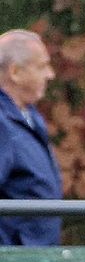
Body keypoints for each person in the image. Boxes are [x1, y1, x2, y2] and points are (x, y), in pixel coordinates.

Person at [0, 29, 62, 246]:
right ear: (15, 72)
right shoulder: (2, 124)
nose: (50, 74)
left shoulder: (30, 117)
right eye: (41, 66)